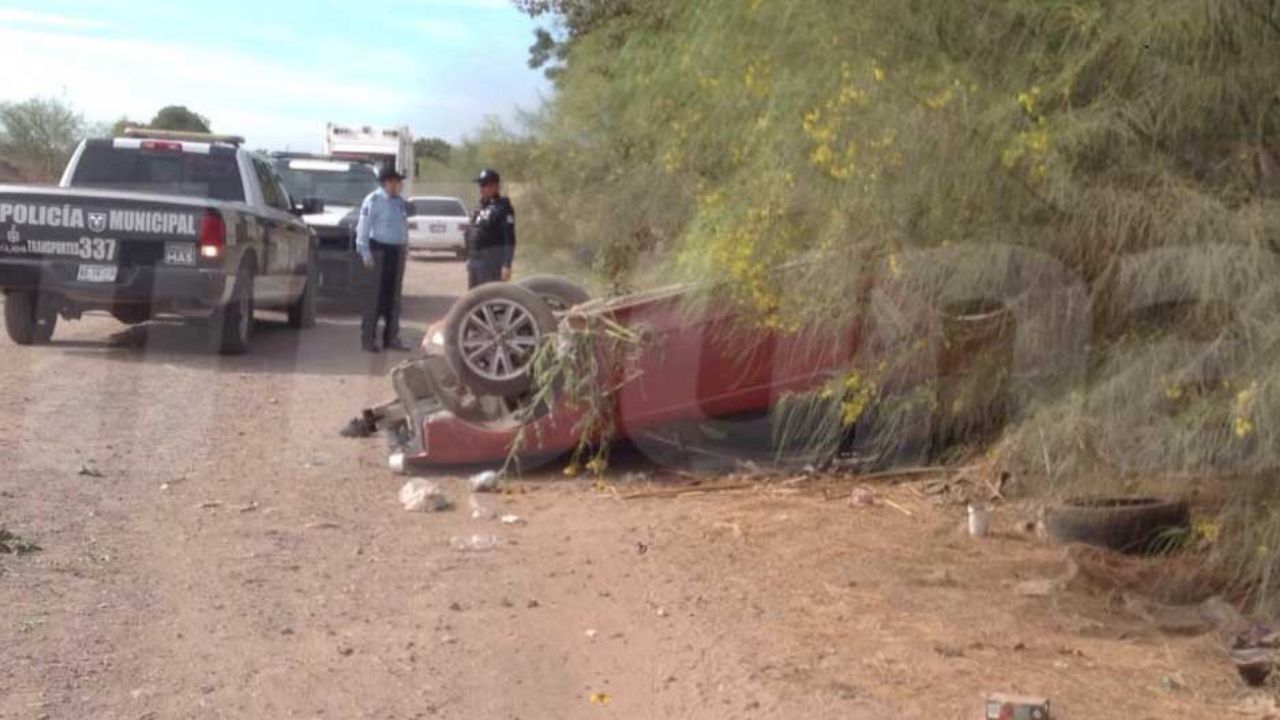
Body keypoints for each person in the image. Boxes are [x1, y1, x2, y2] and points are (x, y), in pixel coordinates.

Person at [356, 166, 410, 353]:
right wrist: (364, 252)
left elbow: (403, 226)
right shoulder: (374, 200)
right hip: (378, 251)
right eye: (396, 182)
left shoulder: (399, 202)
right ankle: (368, 340)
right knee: (375, 297)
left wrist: (405, 248)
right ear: (387, 182)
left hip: (396, 252)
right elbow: (363, 227)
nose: (399, 185)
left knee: (393, 298)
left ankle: (391, 337)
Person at [467, 168, 516, 289]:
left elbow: (508, 238)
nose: (481, 188)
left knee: (490, 297)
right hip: (475, 262)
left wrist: (506, 265)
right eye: (480, 185)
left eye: (485, 185)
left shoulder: (502, 207)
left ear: (495, 186)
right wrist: (469, 258)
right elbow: (472, 232)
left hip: (491, 263)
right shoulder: (480, 207)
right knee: (474, 297)